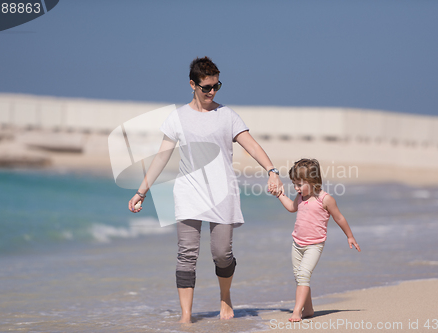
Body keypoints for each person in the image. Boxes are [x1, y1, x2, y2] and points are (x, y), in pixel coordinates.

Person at [128, 56, 283, 323]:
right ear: (192, 84)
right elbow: (161, 157)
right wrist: (141, 191)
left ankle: (225, 298)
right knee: (187, 254)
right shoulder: (177, 118)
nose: (212, 91)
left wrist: (273, 171)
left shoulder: (228, 116)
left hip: (222, 194)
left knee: (222, 254)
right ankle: (186, 316)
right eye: (206, 87)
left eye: (216, 86)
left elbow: (253, 146)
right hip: (188, 192)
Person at [277, 158, 361, 322]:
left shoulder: (326, 199)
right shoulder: (301, 196)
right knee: (299, 276)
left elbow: (339, 218)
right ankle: (308, 310)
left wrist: (350, 236)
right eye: (294, 184)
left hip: (314, 245)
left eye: (299, 184)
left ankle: (297, 311)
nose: (296, 188)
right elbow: (291, 208)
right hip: (297, 244)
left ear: (313, 181)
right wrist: (280, 195)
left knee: (303, 275)